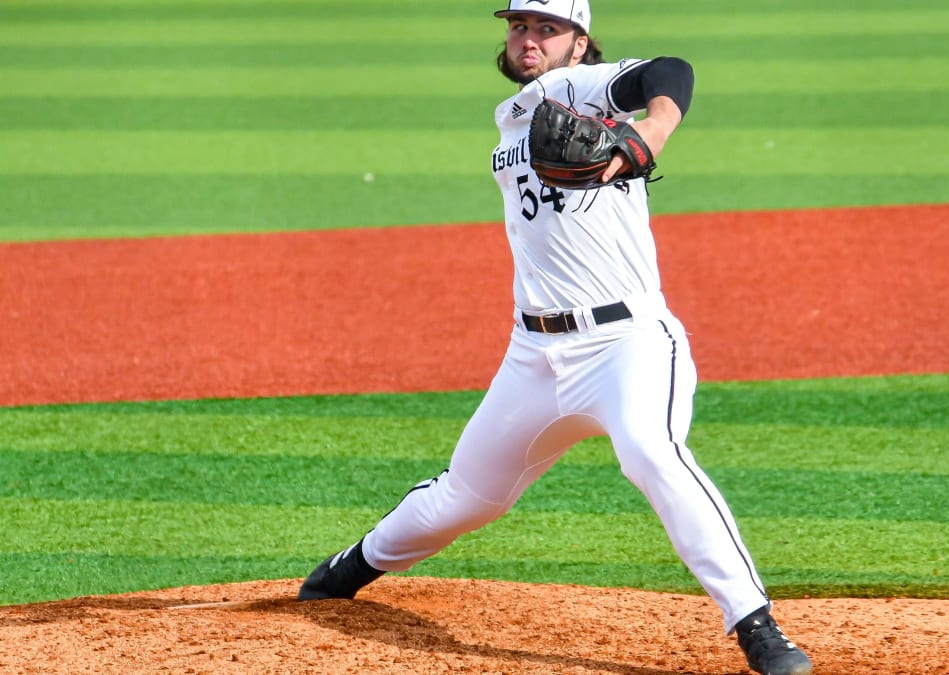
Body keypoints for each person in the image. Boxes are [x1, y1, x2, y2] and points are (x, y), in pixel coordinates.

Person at [297, 1, 813, 673]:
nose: (529, 39)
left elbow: (670, 71)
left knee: (651, 452)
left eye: (547, 28)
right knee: (467, 496)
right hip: (533, 356)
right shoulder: (513, 116)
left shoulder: (579, 87)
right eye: (519, 26)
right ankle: (347, 568)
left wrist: (650, 131)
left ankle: (756, 626)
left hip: (626, 344)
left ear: (580, 43)